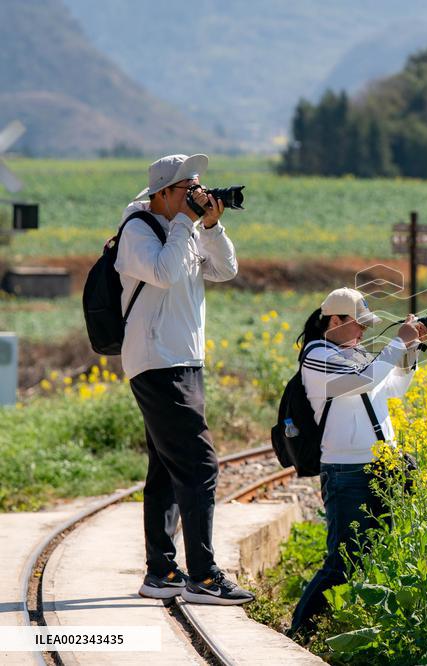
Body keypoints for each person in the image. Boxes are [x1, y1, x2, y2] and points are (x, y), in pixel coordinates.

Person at [117, 154, 253, 605]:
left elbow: (225, 270)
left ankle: (161, 572)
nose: (196, 195)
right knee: (199, 466)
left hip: (184, 360)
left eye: (199, 187)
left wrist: (210, 227)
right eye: (186, 189)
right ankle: (204, 576)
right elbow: (164, 272)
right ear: (160, 194)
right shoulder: (137, 231)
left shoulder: (187, 230)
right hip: (157, 361)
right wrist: (186, 224)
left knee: (167, 470)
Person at [288, 287, 427, 634]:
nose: (364, 331)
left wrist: (410, 349)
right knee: (343, 559)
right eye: (359, 324)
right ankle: (301, 630)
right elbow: (363, 381)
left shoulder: (353, 352)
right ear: (334, 321)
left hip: (380, 465)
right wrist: (397, 342)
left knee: (372, 554)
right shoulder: (317, 355)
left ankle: (336, 625)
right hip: (346, 471)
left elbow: (393, 387)